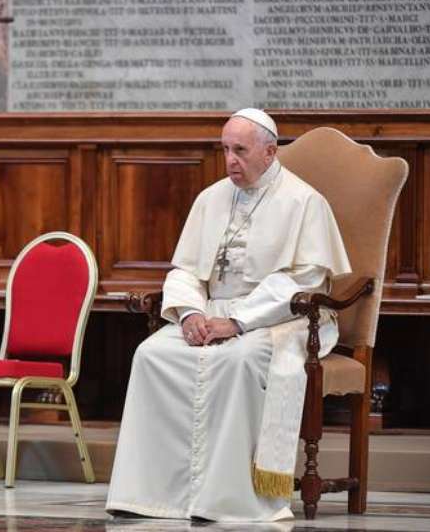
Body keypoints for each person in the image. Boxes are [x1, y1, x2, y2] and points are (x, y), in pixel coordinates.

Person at [105, 109, 352, 522]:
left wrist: (237, 321)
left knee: (236, 360)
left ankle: (227, 499)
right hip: (210, 312)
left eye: (240, 150)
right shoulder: (212, 197)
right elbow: (185, 268)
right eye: (225, 150)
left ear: (270, 151)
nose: (230, 160)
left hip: (281, 320)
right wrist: (188, 314)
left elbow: (304, 280)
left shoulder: (304, 201)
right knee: (151, 355)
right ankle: (151, 495)